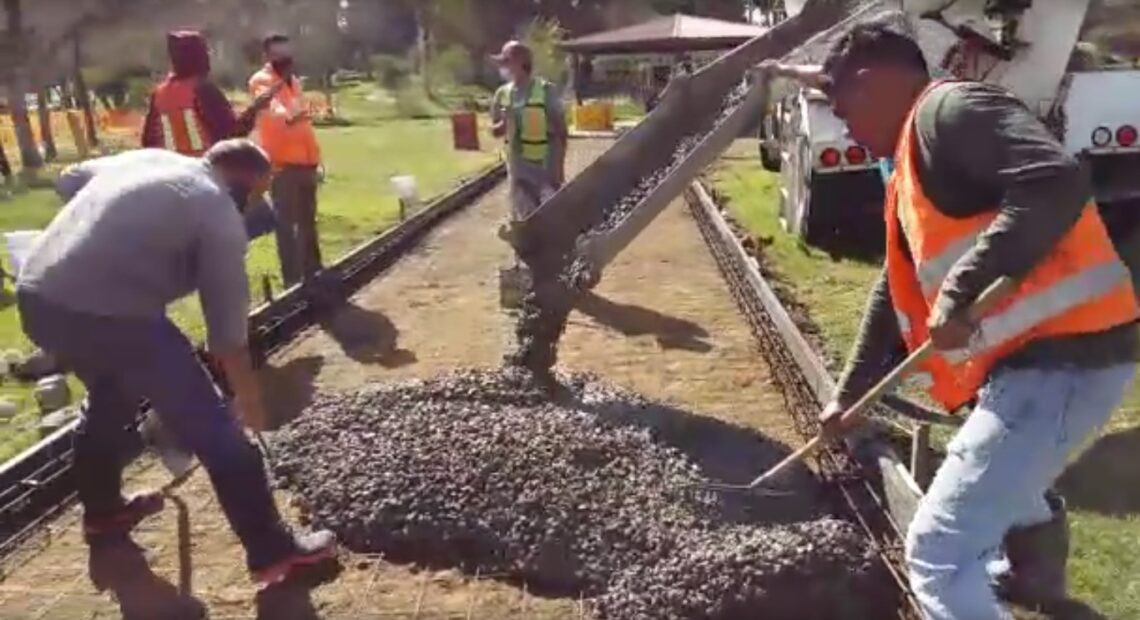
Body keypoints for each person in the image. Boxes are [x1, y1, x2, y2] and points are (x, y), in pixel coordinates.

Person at [763, 23, 1139, 620]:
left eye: (840, 107)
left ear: (869, 84)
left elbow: (1054, 179)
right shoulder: (911, 154)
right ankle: (1032, 582)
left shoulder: (952, 111)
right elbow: (895, 288)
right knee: (1005, 479)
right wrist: (849, 396)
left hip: (1063, 361)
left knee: (937, 552)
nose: (847, 129)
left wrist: (961, 290)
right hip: (1041, 363)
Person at [15, 140, 337, 585]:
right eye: (259, 194)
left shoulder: (150, 159)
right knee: (214, 426)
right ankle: (274, 552)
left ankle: (104, 512)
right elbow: (227, 338)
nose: (255, 205)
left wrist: (118, 234)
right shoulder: (218, 213)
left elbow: (68, 180)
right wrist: (249, 403)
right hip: (110, 315)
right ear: (242, 184)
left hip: (38, 297)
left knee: (113, 395)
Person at [142, 30, 281, 239]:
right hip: (211, 175)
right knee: (263, 218)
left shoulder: (159, 94)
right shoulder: (203, 89)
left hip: (174, 178)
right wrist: (255, 109)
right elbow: (231, 134)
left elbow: (148, 141)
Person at [249, 33, 324, 289]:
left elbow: (304, 125)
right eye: (277, 52)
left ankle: (314, 273)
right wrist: (290, 114)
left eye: (286, 51)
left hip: (306, 162)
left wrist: (316, 157)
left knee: (308, 223)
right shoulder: (262, 80)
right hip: (283, 166)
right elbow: (275, 112)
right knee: (287, 226)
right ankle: (293, 283)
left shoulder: (294, 82)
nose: (284, 57)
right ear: (267, 56)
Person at [490, 40, 568, 223]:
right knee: (525, 217)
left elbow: (561, 129)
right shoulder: (501, 94)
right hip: (518, 167)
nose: (503, 67)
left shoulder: (545, 90)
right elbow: (494, 131)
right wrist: (502, 123)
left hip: (546, 166)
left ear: (520, 62)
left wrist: (558, 166)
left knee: (552, 217)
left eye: (506, 61)